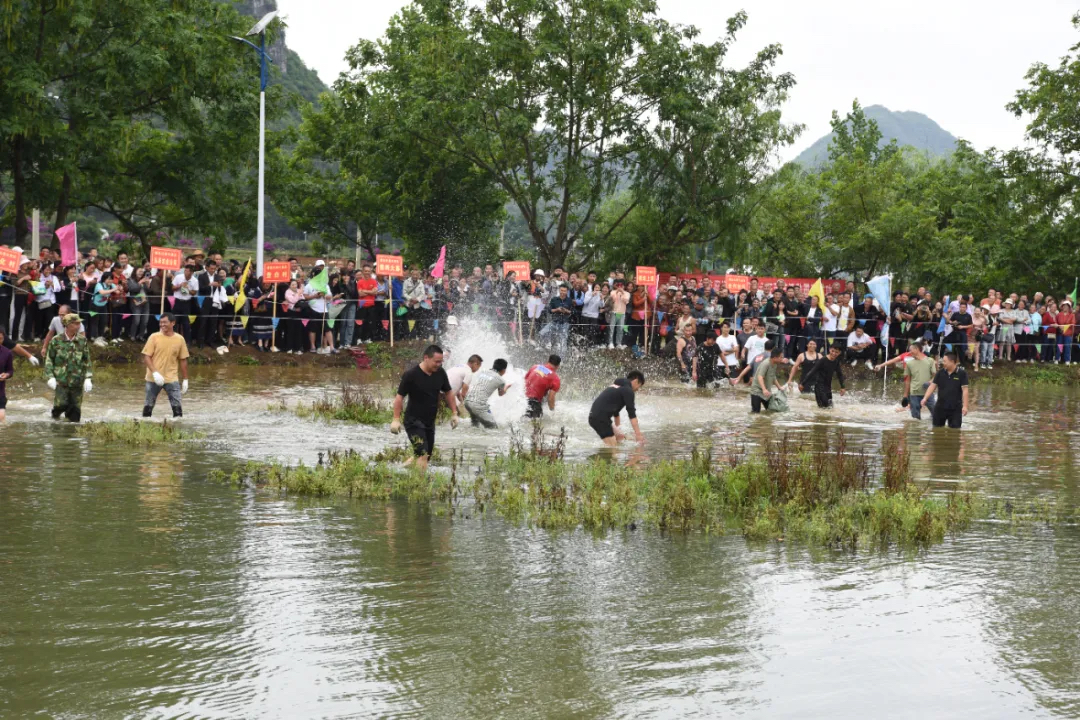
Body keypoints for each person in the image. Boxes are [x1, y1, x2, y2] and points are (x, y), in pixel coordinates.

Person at [390, 344, 458, 473]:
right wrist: (396, 419)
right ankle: (420, 483)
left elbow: (448, 392)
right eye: (436, 361)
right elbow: (399, 397)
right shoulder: (411, 375)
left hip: (429, 422)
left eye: (441, 362)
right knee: (423, 453)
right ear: (426, 358)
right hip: (413, 421)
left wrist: (454, 413)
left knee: (426, 455)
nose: (439, 364)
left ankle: (399, 471)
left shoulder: (440, 373)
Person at [44, 313, 93, 422]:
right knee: (60, 405)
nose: (79, 325)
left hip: (77, 381)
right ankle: (54, 423)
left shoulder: (82, 340)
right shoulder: (56, 340)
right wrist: (50, 377)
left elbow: (86, 360)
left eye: (79, 323)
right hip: (61, 381)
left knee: (75, 411)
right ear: (68, 325)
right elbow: (49, 360)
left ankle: (72, 430)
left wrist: (88, 378)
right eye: (76, 323)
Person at [141, 313, 190, 419]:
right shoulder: (154, 337)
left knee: (177, 410)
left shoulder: (180, 339)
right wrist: (155, 373)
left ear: (173, 323)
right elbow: (147, 357)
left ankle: (177, 427)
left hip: (172, 378)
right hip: (153, 378)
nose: (162, 324)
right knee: (148, 406)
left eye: (165, 322)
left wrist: (185, 379)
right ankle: (145, 425)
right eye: (160, 322)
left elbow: (183, 359)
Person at [588, 370, 646, 446]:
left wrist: (618, 430)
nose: (638, 389)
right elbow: (632, 415)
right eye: (639, 386)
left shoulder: (618, 387)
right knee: (613, 448)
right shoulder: (628, 391)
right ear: (636, 381)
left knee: (620, 437)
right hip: (601, 419)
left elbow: (616, 412)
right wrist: (638, 435)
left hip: (597, 417)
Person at [922, 352, 969, 428]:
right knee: (937, 429)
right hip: (940, 407)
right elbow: (932, 386)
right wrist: (925, 398)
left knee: (955, 431)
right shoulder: (940, 373)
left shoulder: (962, 373)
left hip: (955, 408)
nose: (942, 363)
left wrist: (965, 406)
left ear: (952, 362)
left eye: (944, 361)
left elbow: (965, 390)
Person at [464, 358, 512, 429]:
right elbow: (501, 394)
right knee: (493, 428)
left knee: (475, 426)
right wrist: (506, 388)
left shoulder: (483, 372)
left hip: (467, 402)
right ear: (503, 370)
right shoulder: (501, 380)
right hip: (478, 405)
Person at [799, 344, 846, 409]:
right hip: (819, 387)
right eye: (832, 351)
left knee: (830, 407)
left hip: (828, 388)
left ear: (839, 353)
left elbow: (839, 374)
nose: (834, 353)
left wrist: (843, 387)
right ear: (829, 349)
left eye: (836, 352)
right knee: (825, 407)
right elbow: (812, 371)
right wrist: (802, 383)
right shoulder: (823, 360)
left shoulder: (836, 361)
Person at [902, 341, 937, 420]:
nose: (910, 352)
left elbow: (935, 376)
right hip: (914, 393)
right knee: (915, 419)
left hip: (928, 393)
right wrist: (905, 396)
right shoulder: (909, 363)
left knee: (936, 415)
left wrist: (930, 381)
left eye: (911, 350)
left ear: (917, 349)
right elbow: (907, 381)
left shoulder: (930, 360)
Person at [524, 354, 561, 419]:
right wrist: (553, 412)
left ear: (548, 361)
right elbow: (550, 398)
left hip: (522, 399)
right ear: (558, 366)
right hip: (534, 403)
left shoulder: (535, 367)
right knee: (534, 424)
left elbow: (524, 381)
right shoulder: (555, 378)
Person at [750, 346, 785, 413]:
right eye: (781, 357)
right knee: (755, 413)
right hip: (757, 391)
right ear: (775, 358)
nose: (782, 359)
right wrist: (764, 389)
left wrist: (779, 387)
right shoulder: (766, 363)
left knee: (772, 411)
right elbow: (760, 377)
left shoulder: (775, 364)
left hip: (767, 392)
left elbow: (773, 376)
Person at [0, 325, 12, 422]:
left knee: (2, 418)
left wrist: (6, 375)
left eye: (0, 338)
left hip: (0, 391)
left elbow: (10, 370)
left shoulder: (7, 352)